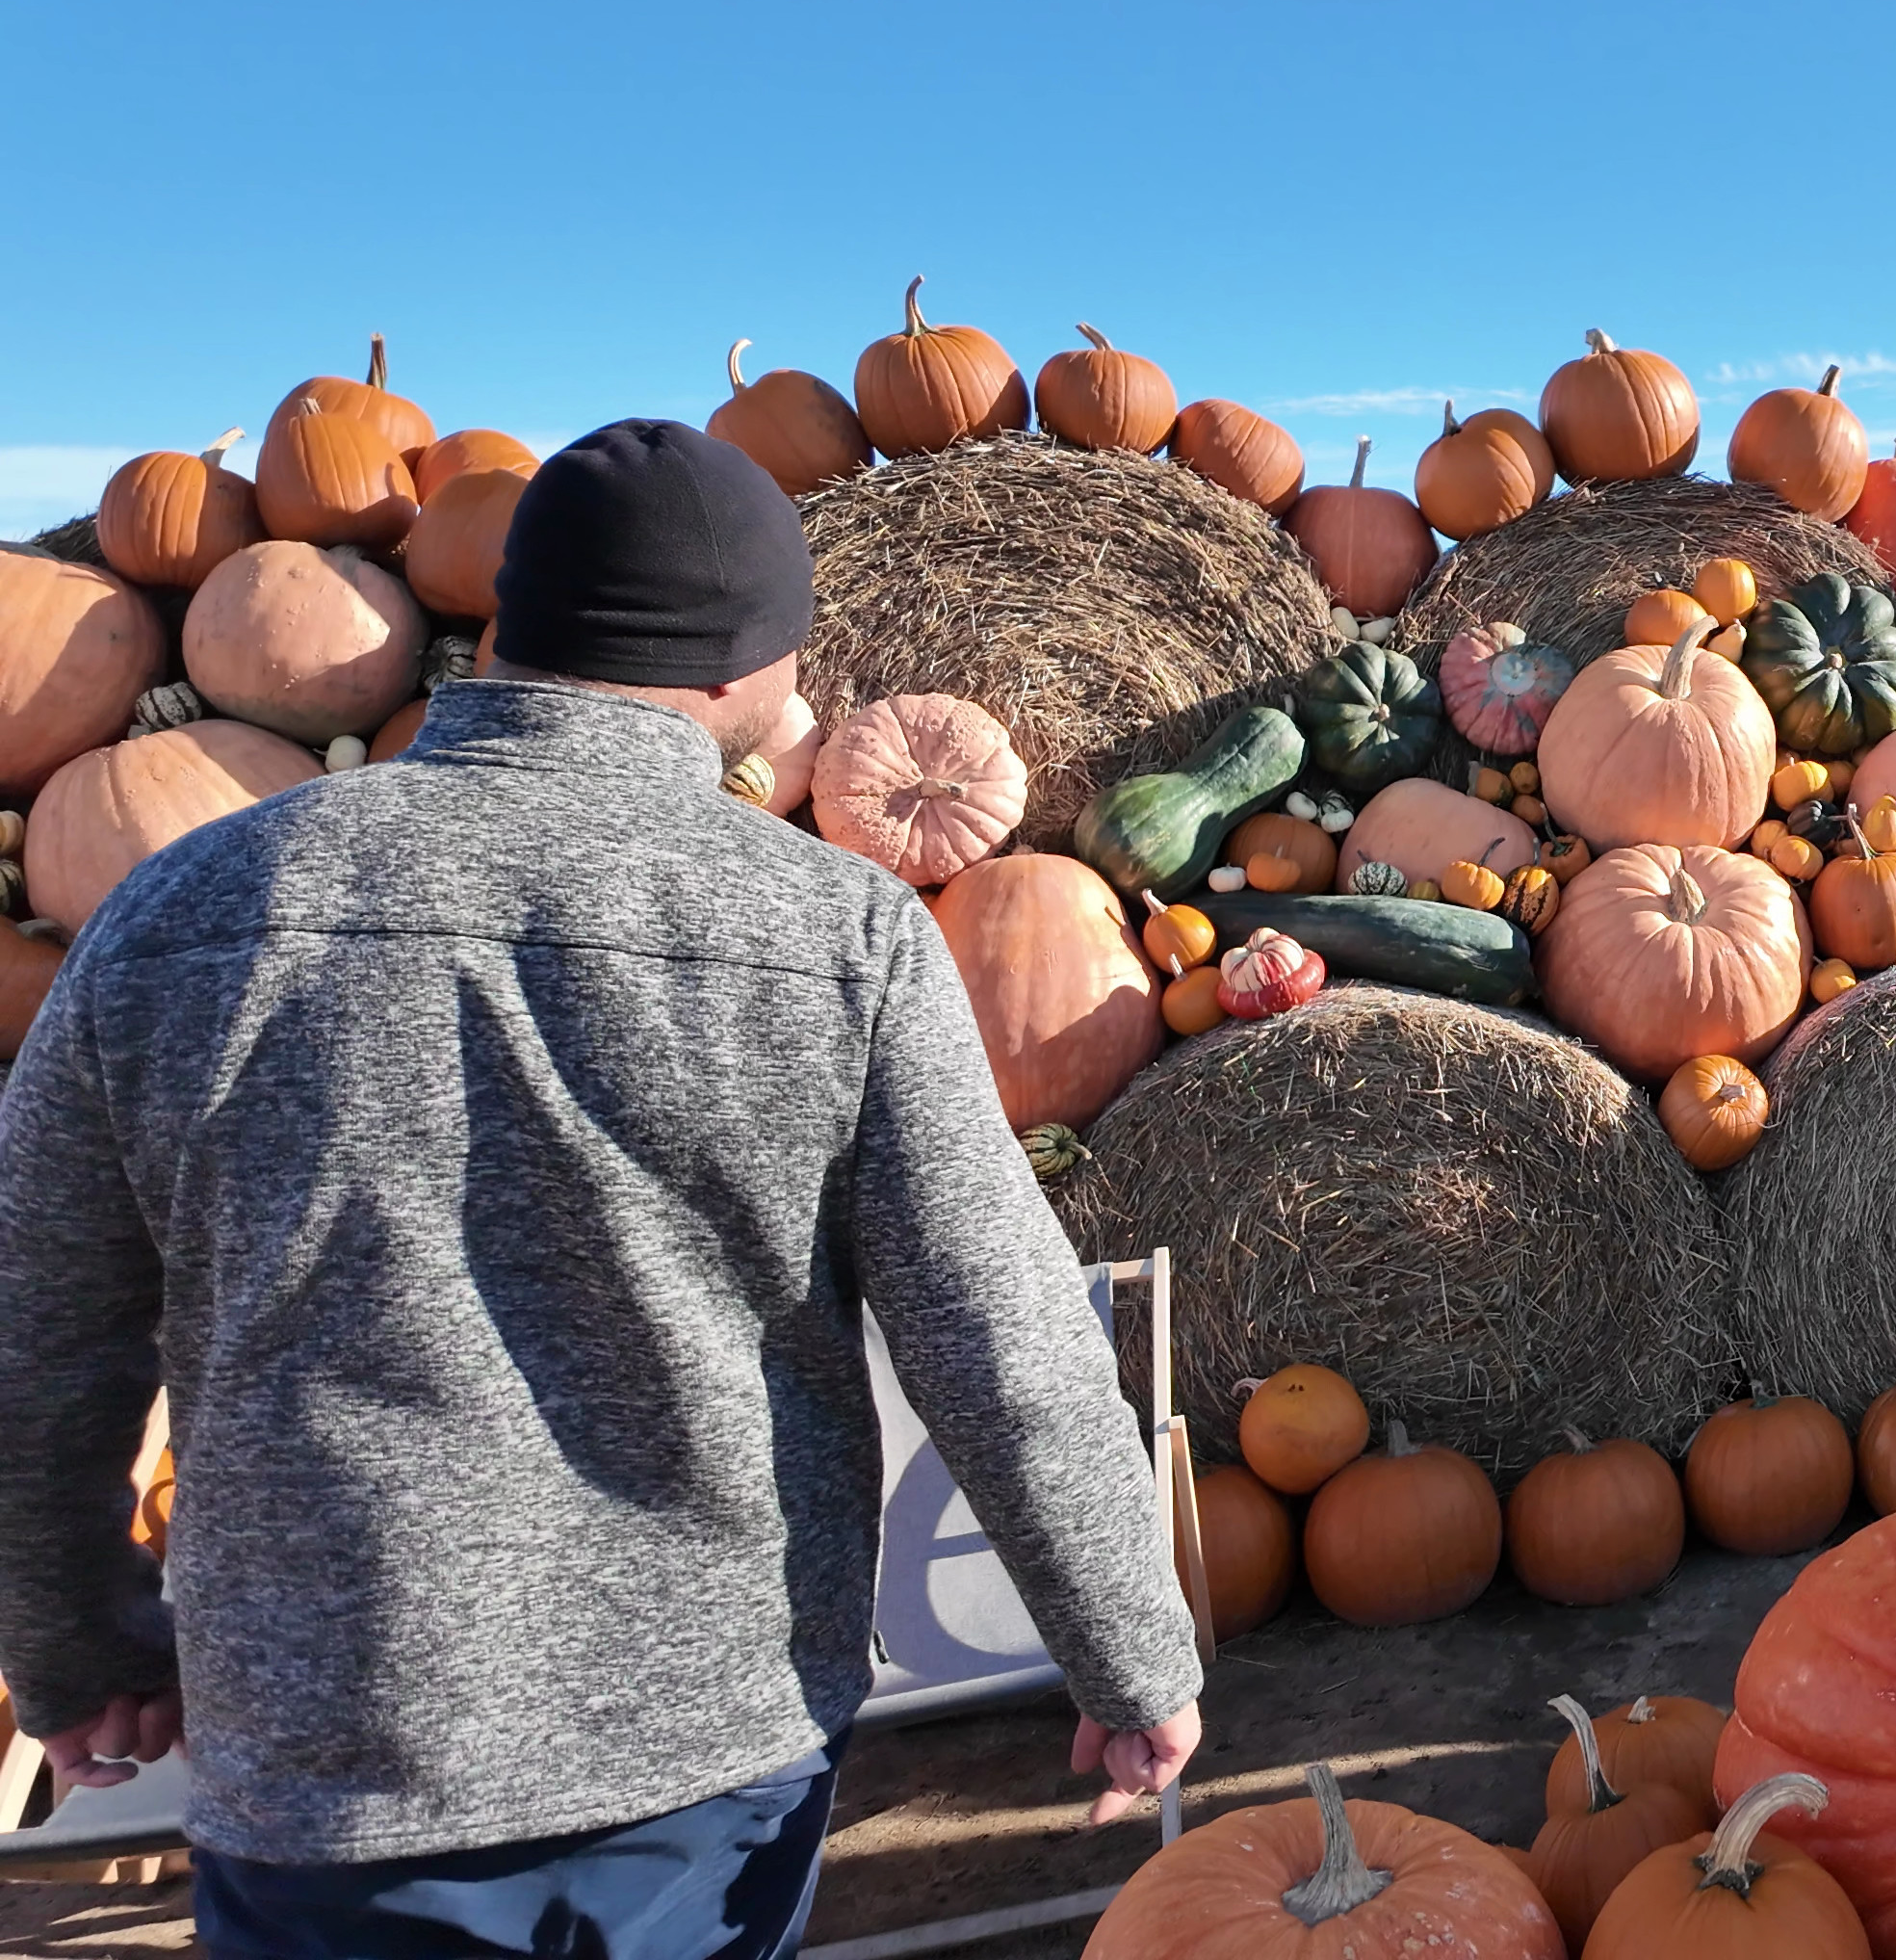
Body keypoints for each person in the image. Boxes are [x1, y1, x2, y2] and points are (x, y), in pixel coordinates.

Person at [0, 422, 1204, 1957]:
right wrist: (1128, 1651)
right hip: (705, 1742)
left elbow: (34, 1339)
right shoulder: (834, 933)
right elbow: (1000, 1341)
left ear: (514, 624)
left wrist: (72, 1643)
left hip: (330, 1747)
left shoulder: (186, 907)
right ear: (739, 671)